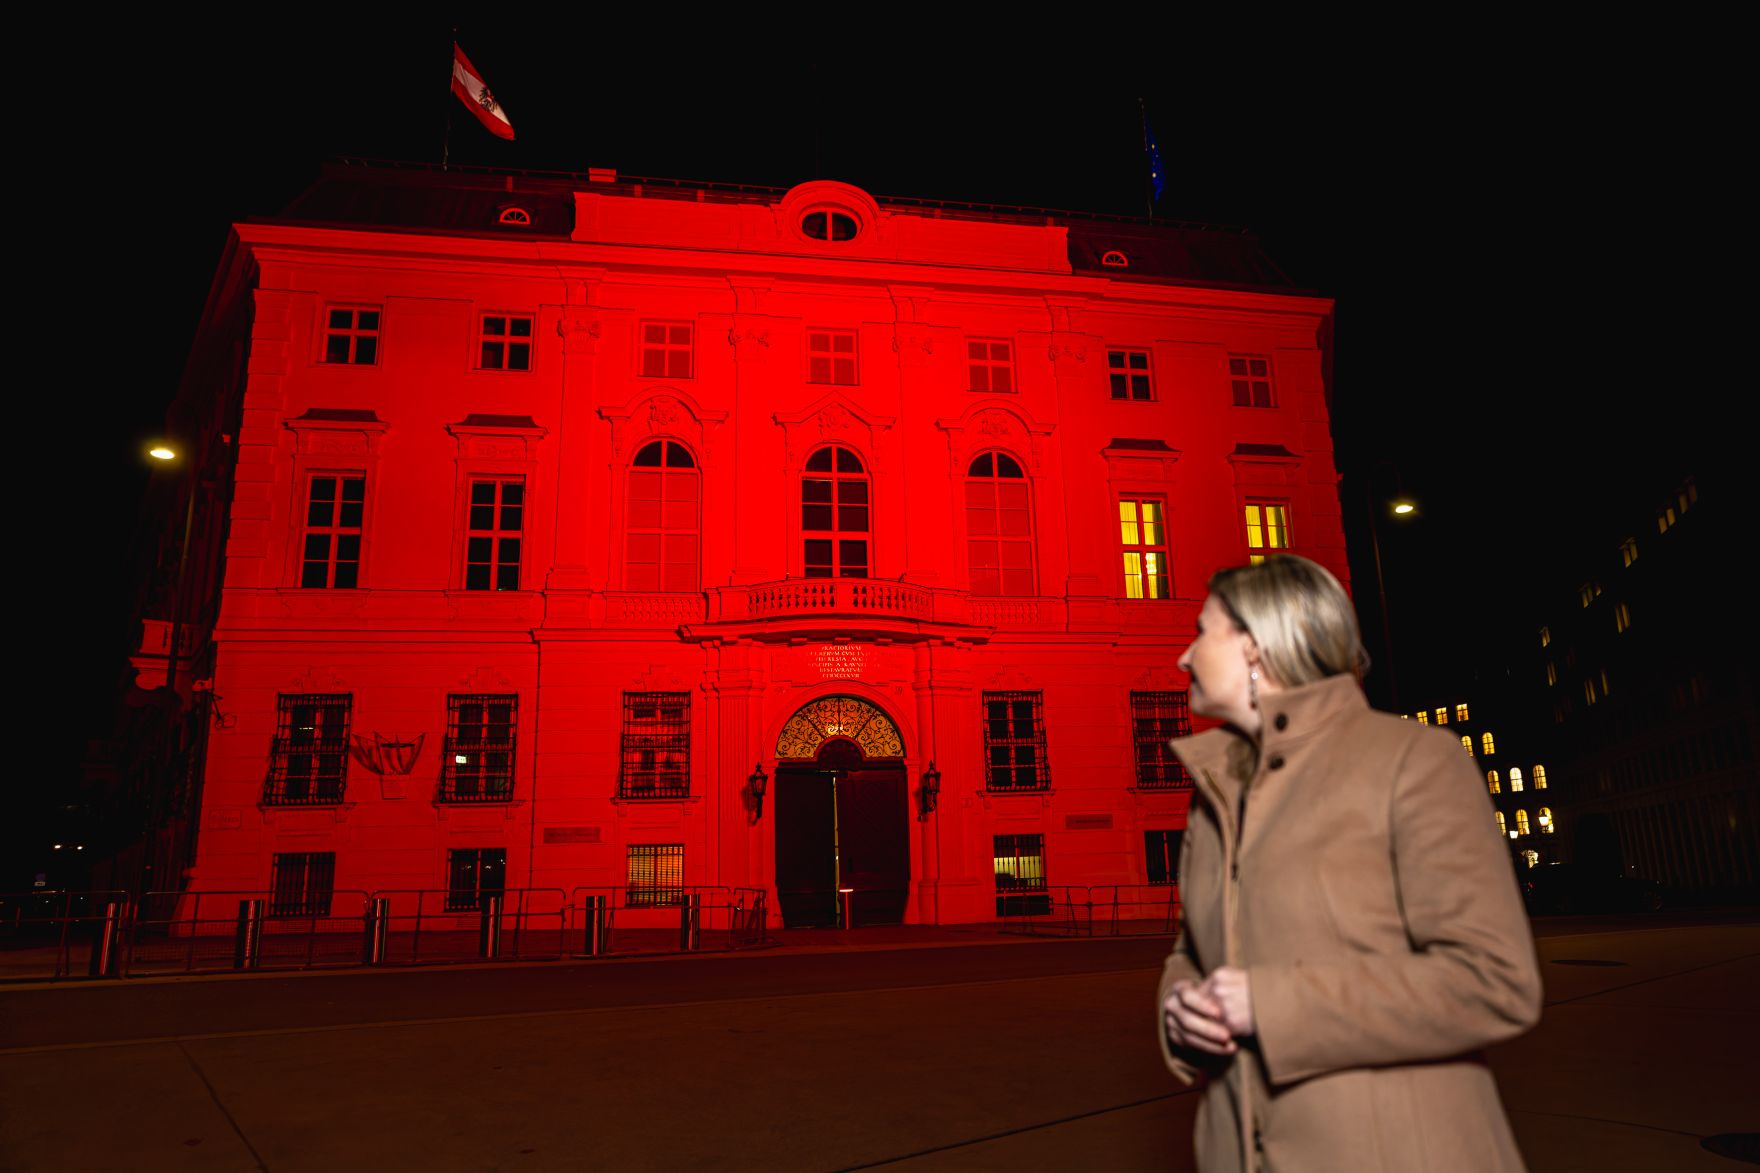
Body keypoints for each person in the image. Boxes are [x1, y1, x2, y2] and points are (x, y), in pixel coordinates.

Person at [1158, 556, 1541, 1172]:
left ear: (1256, 646)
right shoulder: (1215, 796)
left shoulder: (1413, 762)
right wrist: (1179, 1007)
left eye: (1203, 631)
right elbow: (1191, 952)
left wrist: (1273, 1005)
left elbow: (1494, 982)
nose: (1185, 655)